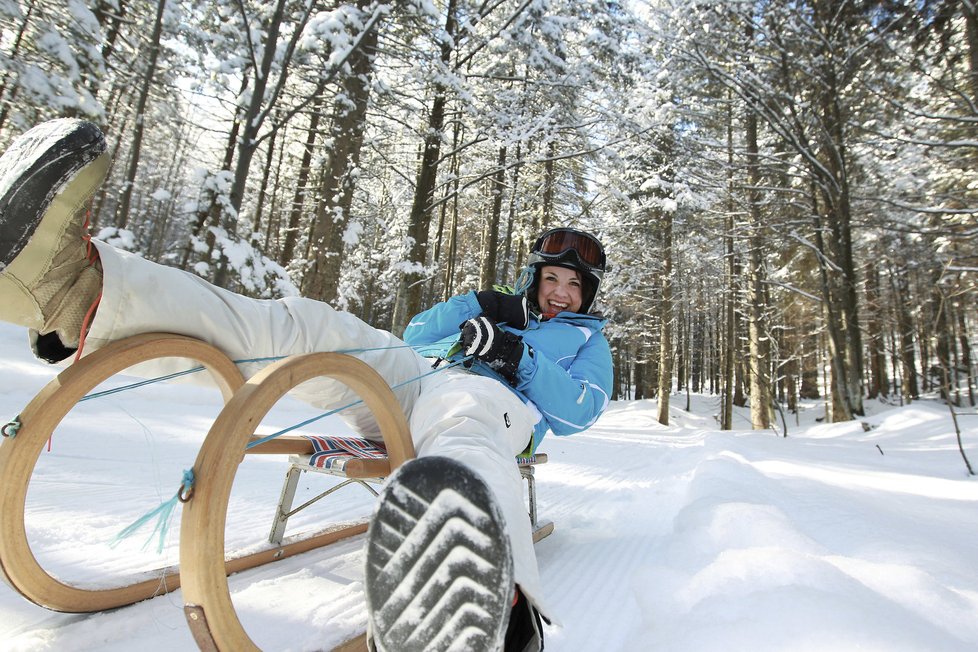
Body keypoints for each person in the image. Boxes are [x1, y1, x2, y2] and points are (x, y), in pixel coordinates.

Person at [0, 119, 613, 651]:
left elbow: (580, 411)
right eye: (552, 278)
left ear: (586, 296)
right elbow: (416, 333)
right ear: (535, 277)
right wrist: (473, 308)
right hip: (418, 379)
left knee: (466, 411)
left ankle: (479, 595)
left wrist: (519, 360)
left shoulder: (588, 342)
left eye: (573, 286)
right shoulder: (497, 304)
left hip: (498, 407)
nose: (561, 292)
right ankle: (76, 293)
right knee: (311, 325)